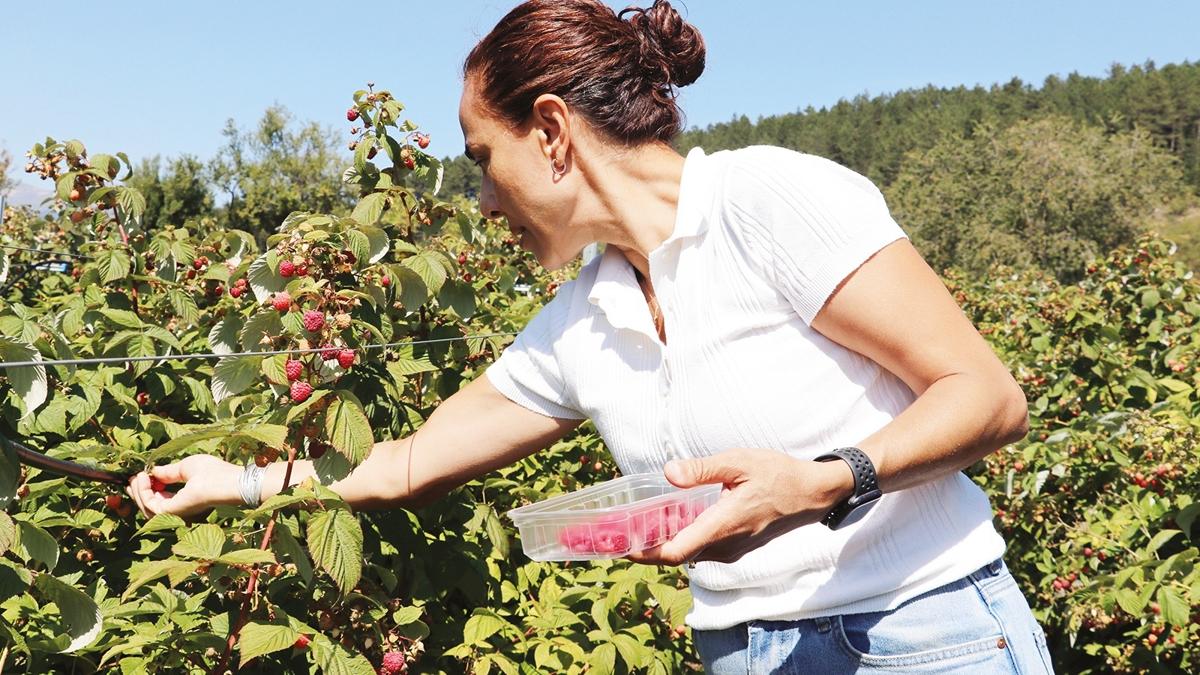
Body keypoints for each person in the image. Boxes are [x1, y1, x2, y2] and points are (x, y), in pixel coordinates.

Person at [128, 1, 1055, 672]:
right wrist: (234, 481)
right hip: (741, 650)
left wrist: (815, 482)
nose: (484, 202)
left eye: (484, 161)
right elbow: (408, 463)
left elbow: (986, 395)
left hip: (920, 633)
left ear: (553, 131)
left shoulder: (764, 202)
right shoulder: (582, 316)